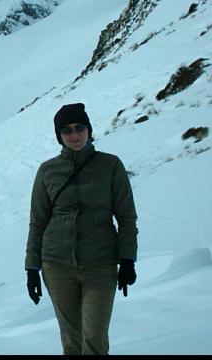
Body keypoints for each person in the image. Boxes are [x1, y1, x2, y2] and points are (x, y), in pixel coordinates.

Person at [25, 103, 138, 355]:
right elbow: (38, 221)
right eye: (66, 130)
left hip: (99, 264)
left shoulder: (110, 166)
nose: (74, 135)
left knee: (95, 340)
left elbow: (126, 217)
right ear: (59, 136)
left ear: (88, 129)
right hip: (56, 265)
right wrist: (32, 268)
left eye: (79, 128)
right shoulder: (47, 171)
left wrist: (127, 259)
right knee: (72, 341)